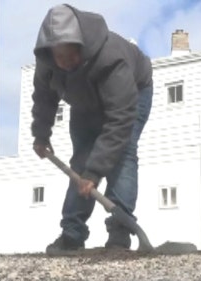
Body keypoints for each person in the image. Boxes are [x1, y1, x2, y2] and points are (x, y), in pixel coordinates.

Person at [31, 4, 153, 254]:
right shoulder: (47, 62)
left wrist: (95, 173)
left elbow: (120, 119)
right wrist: (41, 135)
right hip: (85, 101)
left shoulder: (111, 57)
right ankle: (72, 235)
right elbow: (44, 99)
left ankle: (119, 235)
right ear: (50, 54)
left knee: (123, 155)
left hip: (133, 93)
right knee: (81, 162)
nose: (66, 63)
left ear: (81, 45)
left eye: (71, 56)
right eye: (60, 58)